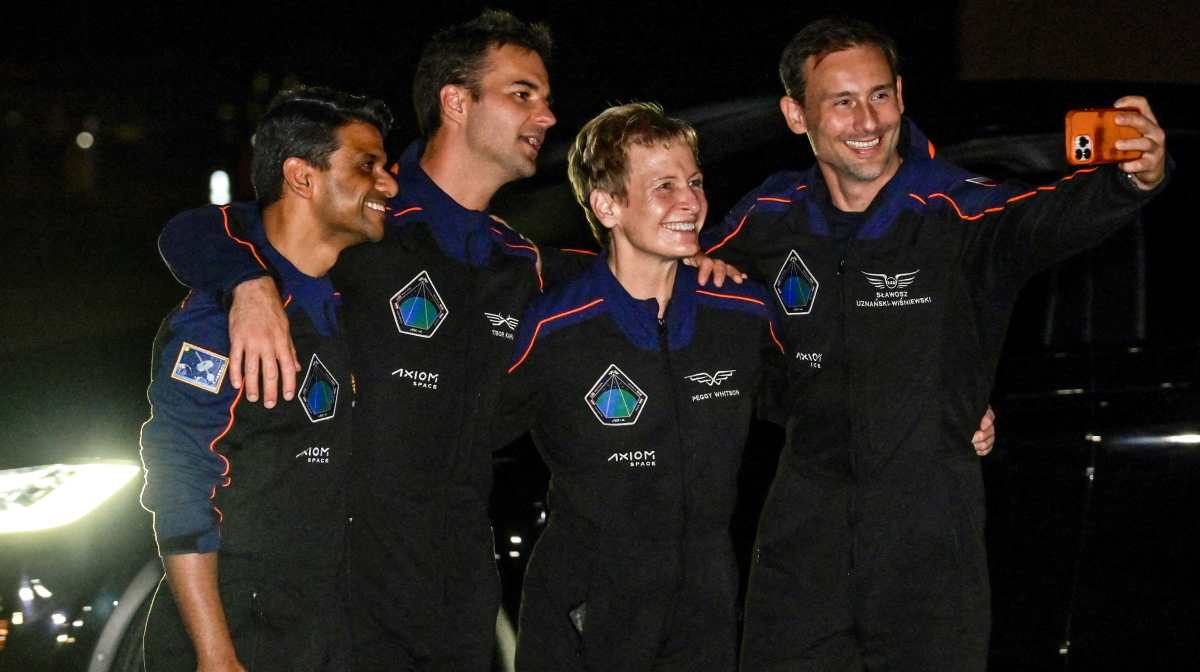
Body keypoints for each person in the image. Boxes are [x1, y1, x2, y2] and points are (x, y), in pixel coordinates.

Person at [699, 17, 1168, 672]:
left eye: (879, 95)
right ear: (796, 115)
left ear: (901, 95)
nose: (867, 120)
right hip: (802, 535)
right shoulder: (767, 216)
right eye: (842, 102)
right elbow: (675, 282)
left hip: (927, 539)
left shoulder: (958, 210)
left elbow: (1050, 217)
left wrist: (1133, 179)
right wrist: (705, 281)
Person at [498, 103, 784, 671]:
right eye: (664, 187)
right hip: (586, 609)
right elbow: (464, 438)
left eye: (694, 182)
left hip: (704, 606)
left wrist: (954, 413)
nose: (690, 201)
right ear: (607, 205)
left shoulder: (741, 313)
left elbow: (817, 401)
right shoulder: (555, 328)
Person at [139, 86, 397, 671]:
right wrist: (215, 653)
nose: (388, 184)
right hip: (240, 629)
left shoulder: (338, 300)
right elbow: (181, 483)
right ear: (303, 178)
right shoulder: (219, 322)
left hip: (320, 623)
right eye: (367, 165)